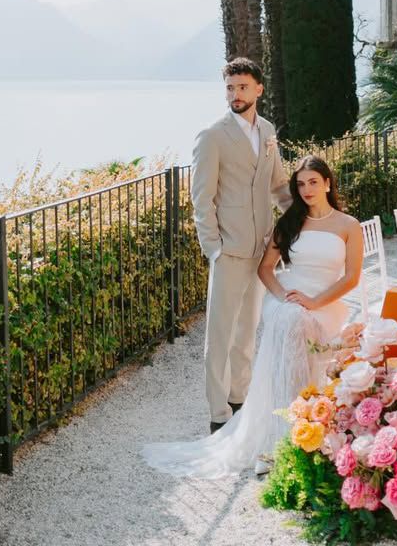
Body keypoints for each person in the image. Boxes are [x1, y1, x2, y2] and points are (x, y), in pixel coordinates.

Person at [141, 155, 364, 478]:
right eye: (300, 184)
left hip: (324, 302)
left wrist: (314, 302)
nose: (306, 190)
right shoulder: (289, 222)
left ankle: (306, 431)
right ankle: (279, 440)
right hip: (287, 298)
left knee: (299, 327)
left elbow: (352, 278)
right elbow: (265, 269)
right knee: (290, 321)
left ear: (328, 183)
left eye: (313, 182)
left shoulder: (348, 225)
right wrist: (283, 299)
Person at [189, 57, 292, 432]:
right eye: (230, 88)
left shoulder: (267, 131)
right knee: (220, 336)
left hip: (263, 251)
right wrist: (213, 247)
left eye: (243, 87)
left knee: (247, 332)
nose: (235, 94)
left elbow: (279, 185)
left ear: (259, 89)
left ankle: (238, 400)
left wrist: (304, 220)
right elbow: (202, 199)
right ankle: (218, 416)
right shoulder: (212, 136)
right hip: (228, 251)